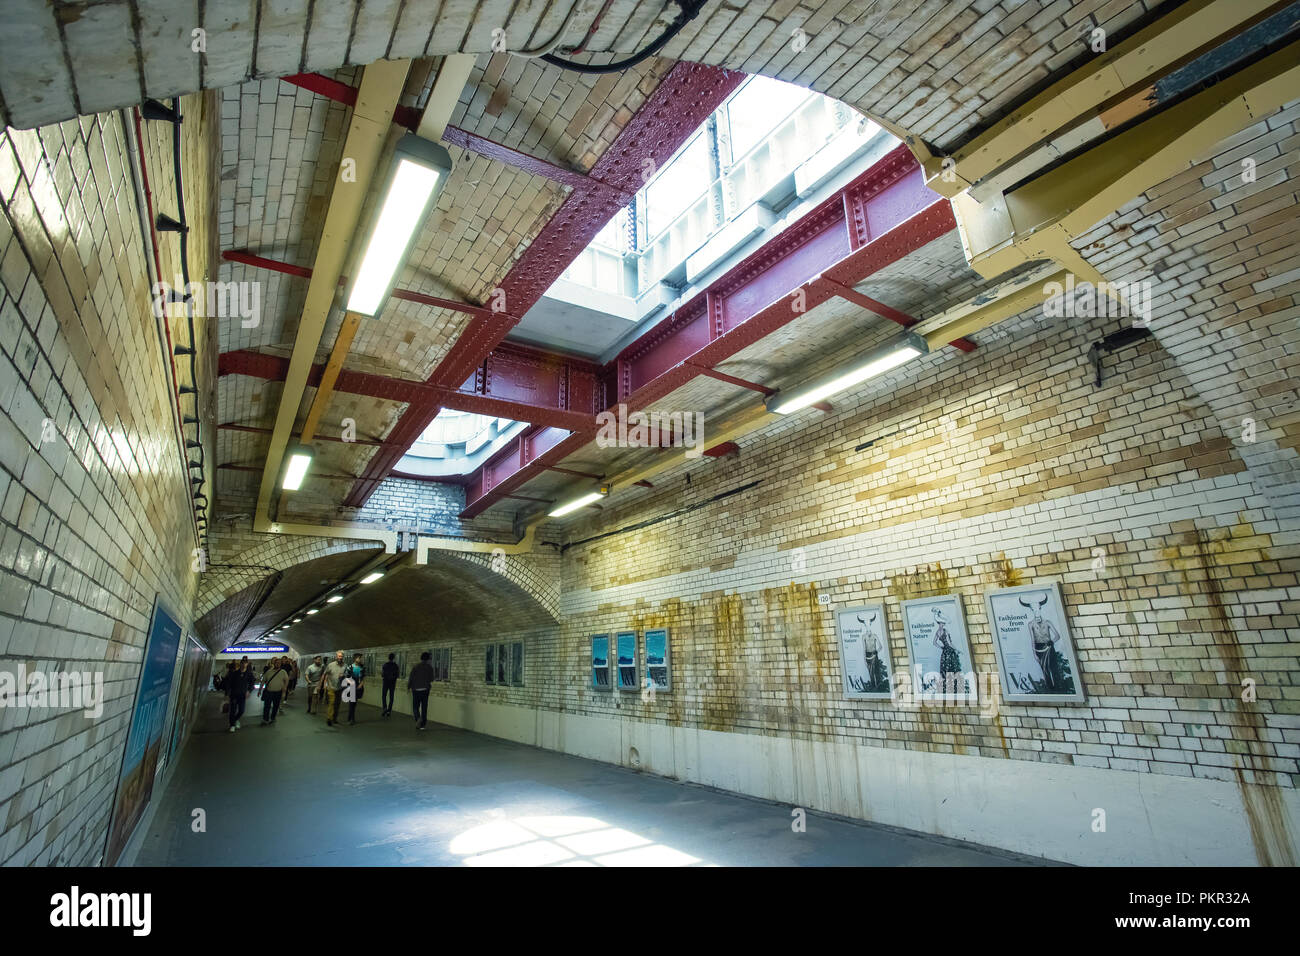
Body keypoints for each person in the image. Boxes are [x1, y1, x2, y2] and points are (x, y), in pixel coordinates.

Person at [259, 656, 290, 725]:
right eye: (276, 663)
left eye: (279, 663)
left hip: (278, 692)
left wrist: (284, 688)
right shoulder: (268, 672)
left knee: (276, 706)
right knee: (267, 706)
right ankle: (265, 719)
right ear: (274, 663)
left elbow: (287, 680)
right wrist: (259, 690)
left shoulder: (283, 672)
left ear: (280, 664)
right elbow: (263, 681)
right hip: (269, 692)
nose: (277, 664)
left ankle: (273, 718)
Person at [408, 651, 434, 731]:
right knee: (424, 707)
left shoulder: (415, 667)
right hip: (425, 689)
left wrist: (408, 687)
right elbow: (431, 679)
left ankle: (418, 718)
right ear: (428, 659)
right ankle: (422, 725)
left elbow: (411, 678)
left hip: (416, 689)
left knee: (415, 706)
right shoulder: (430, 667)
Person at [320, 651, 347, 727]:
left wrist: (344, 675)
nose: (340, 657)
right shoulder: (330, 665)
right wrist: (323, 684)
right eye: (339, 656)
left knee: (337, 704)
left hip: (339, 688)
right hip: (331, 687)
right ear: (336, 657)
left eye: (341, 656)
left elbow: (347, 675)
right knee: (331, 703)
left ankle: (334, 718)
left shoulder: (345, 666)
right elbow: (325, 674)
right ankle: (329, 718)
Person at [225, 661, 249, 732]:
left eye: (245, 663)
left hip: (242, 696)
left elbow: (252, 682)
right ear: (240, 664)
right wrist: (227, 693)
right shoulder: (234, 673)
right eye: (242, 663)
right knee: (233, 710)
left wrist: (249, 691)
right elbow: (229, 683)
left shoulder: (248, 674)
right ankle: (232, 725)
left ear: (247, 664)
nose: (244, 664)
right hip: (234, 695)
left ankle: (235, 720)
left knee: (242, 710)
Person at [345, 653, 365, 725]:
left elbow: (363, 678)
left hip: (358, 687)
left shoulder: (362, 668)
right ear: (355, 658)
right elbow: (347, 678)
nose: (360, 659)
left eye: (360, 658)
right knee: (352, 703)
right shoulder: (350, 667)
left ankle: (349, 718)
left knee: (354, 703)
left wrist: (361, 684)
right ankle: (352, 719)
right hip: (352, 686)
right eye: (359, 658)